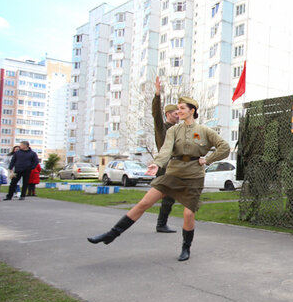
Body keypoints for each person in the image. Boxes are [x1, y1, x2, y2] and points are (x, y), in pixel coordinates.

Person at [88, 97, 230, 261]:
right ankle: (112, 234)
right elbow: (166, 150)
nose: (179, 111)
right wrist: (157, 164)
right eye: (177, 108)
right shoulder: (173, 130)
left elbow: (224, 147)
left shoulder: (205, 131)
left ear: (192, 110)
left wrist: (208, 159)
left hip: (193, 177)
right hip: (173, 173)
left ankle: (186, 248)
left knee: (188, 214)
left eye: (182, 108)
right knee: (144, 203)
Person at [152, 76, 181, 233]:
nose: (178, 115)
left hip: (174, 168)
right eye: (176, 113)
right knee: (155, 196)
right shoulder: (162, 127)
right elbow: (156, 114)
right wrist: (157, 94)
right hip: (164, 167)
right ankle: (131, 217)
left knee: (169, 197)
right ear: (168, 114)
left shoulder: (178, 130)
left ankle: (161, 224)